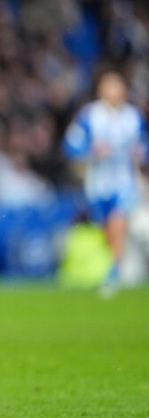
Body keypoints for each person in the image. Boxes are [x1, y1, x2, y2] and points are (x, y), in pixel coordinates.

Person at [63, 69, 148, 293]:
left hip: (124, 181)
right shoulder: (89, 116)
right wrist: (91, 151)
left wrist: (140, 152)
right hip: (98, 184)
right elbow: (71, 145)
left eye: (117, 85)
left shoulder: (134, 117)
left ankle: (114, 274)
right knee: (106, 229)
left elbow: (144, 145)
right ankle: (113, 265)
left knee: (118, 220)